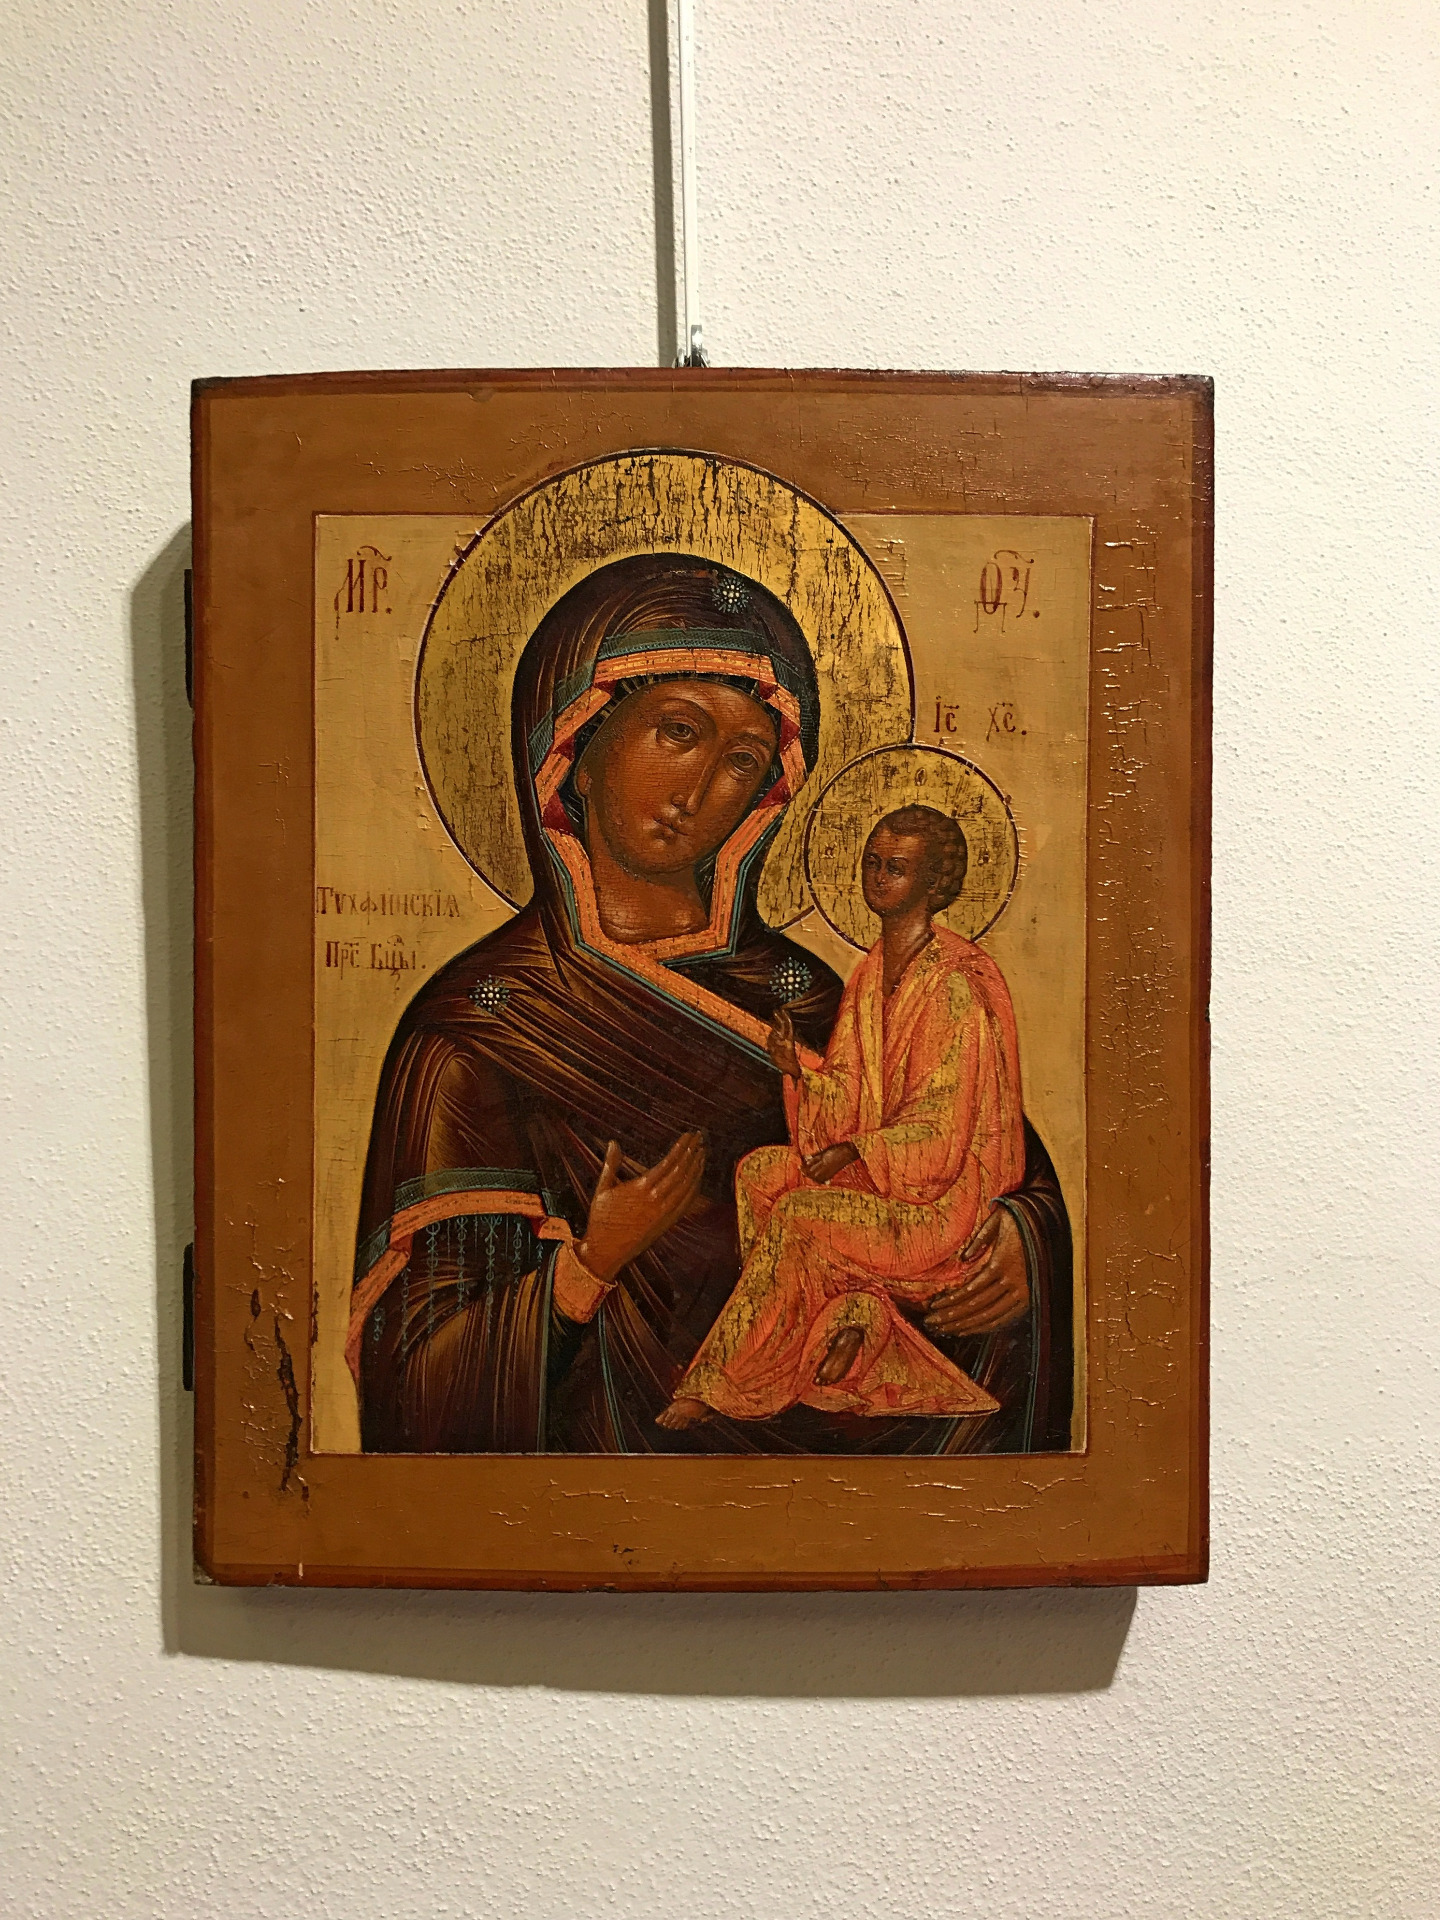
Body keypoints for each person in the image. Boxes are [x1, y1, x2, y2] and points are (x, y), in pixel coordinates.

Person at [349, 553, 1072, 1454]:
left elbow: (981, 1147)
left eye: (742, 761)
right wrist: (586, 1267)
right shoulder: (483, 1028)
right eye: (678, 731)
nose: (698, 793)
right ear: (575, 747)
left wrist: (1024, 1240)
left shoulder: (815, 995)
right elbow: (420, 1377)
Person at [659, 806, 1023, 1429]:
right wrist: (801, 1074)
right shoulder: (871, 971)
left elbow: (943, 1131)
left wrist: (857, 1152)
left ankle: (725, 1383)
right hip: (887, 1185)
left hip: (939, 1205)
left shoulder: (955, 987)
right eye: (872, 863)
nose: (877, 877)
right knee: (762, 1175)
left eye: (896, 868)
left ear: (934, 884)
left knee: (799, 1214)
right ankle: (844, 1322)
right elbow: (852, 1091)